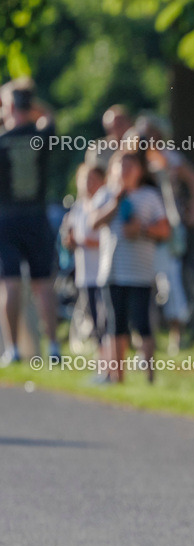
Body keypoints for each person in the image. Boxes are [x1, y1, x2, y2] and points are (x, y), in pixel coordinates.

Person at [91, 151, 170, 383]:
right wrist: (114, 203)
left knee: (142, 324)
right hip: (112, 272)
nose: (125, 171)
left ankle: (150, 377)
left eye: (130, 166)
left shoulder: (149, 196)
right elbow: (93, 222)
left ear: (139, 171)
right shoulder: (106, 195)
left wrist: (142, 229)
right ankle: (117, 377)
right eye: (121, 166)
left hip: (140, 272)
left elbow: (165, 230)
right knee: (116, 325)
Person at [133, 115, 194, 355]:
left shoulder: (169, 157)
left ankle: (177, 335)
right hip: (141, 232)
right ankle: (146, 337)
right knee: (143, 284)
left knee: (170, 281)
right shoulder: (133, 158)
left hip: (167, 229)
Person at [0, 78, 60, 366]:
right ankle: (54, 347)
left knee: (10, 285)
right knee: (43, 284)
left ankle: (12, 349)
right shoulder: (41, 136)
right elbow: (49, 116)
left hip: (6, 220)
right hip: (37, 217)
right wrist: (29, 103)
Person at [61, 163, 108, 357]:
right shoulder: (78, 207)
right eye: (84, 180)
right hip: (84, 274)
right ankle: (102, 360)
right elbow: (70, 237)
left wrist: (87, 242)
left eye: (92, 179)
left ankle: (111, 360)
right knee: (94, 320)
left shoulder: (105, 205)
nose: (88, 184)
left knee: (107, 320)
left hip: (105, 274)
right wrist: (70, 241)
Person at [87, 104, 132, 170]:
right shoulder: (98, 151)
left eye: (121, 123)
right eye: (115, 126)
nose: (119, 129)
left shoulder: (141, 144)